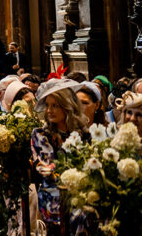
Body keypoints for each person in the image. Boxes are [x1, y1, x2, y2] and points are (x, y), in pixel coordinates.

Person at [30, 80, 90, 234]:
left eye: (55, 105)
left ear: (67, 106)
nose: (49, 110)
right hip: (53, 194)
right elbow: (47, 168)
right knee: (79, 215)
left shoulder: (84, 134)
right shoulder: (40, 134)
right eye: (48, 105)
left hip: (80, 193)